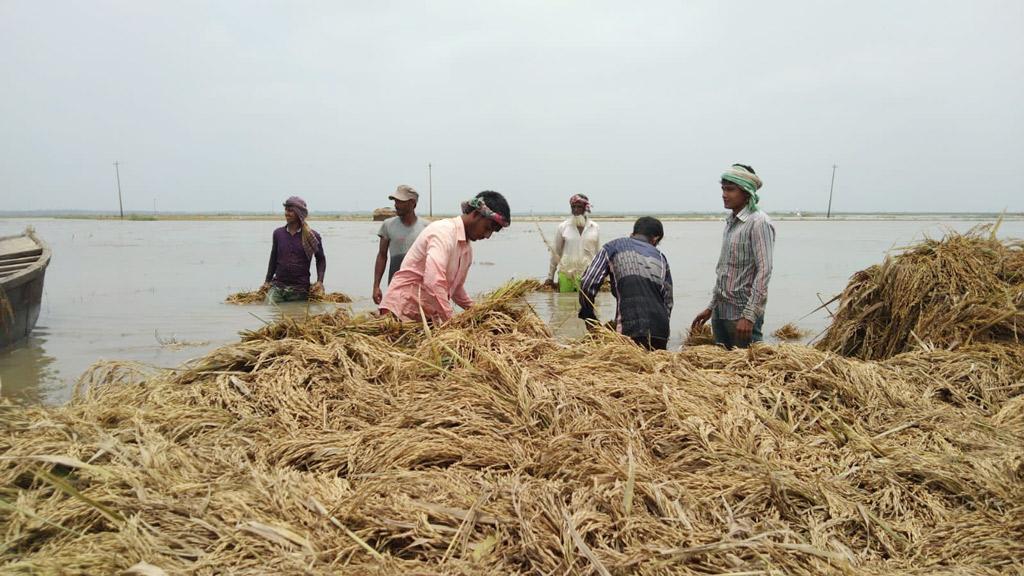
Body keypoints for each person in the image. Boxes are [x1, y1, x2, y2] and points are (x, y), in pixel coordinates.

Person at [380, 191, 510, 323]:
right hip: (399, 314)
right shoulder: (443, 232)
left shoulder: (466, 250)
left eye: (492, 232)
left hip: (423, 318)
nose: (487, 235)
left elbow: (457, 289)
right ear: (476, 214)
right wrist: (451, 322)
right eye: (487, 228)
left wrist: (479, 312)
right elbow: (433, 280)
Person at [691, 164, 775, 349]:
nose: (724, 194)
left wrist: (749, 316)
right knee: (726, 371)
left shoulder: (758, 222)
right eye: (723, 189)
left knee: (749, 370)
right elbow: (725, 270)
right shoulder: (731, 222)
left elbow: (764, 271)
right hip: (721, 313)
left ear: (746, 192)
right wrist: (711, 307)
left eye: (730, 189)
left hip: (741, 316)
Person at [578, 216, 673, 350]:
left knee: (626, 367)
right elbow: (668, 301)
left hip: (629, 329)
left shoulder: (612, 247)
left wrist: (588, 315)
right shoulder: (661, 258)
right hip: (660, 332)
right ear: (655, 239)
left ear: (632, 234)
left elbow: (588, 282)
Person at [262, 196, 326, 304]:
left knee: (298, 318)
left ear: (299, 213)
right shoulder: (278, 233)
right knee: (270, 311)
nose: (287, 213)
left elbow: (321, 259)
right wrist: (267, 281)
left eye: (291, 210)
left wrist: (320, 281)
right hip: (278, 287)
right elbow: (273, 258)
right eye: (286, 210)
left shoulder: (312, 236)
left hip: (300, 289)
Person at [372, 185, 429, 305]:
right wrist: (376, 286)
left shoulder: (427, 228)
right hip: (395, 287)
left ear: (412, 203)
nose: (396, 205)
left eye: (400, 202)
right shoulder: (388, 225)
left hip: (420, 289)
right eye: (395, 201)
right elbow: (382, 256)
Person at [544, 194, 600, 291]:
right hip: (566, 275)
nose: (576, 210)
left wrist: (604, 277)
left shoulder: (594, 227)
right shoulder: (563, 227)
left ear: (585, 209)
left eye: (579, 207)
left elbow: (598, 254)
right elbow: (556, 253)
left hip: (588, 276)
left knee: (587, 304)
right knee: (565, 304)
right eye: (573, 207)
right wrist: (550, 277)